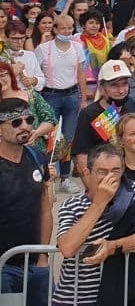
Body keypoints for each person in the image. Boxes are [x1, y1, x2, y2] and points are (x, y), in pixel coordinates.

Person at [54, 142, 135, 306]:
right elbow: (67, 248)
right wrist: (99, 204)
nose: (109, 177)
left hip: (120, 296)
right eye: (102, 172)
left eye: (115, 171)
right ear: (87, 173)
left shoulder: (134, 193)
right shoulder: (71, 205)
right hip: (75, 297)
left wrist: (113, 247)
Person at [0, 96, 52, 306]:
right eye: (16, 122)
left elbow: (45, 208)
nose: (25, 126)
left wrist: (43, 256)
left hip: (35, 263)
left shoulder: (36, 156)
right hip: (3, 268)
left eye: (29, 120)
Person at [71, 58, 135, 179]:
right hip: (105, 178)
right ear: (102, 88)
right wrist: (91, 187)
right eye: (114, 85)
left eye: (124, 84)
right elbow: (82, 155)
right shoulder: (88, 115)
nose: (121, 90)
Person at [34, 15, 87, 183]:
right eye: (63, 28)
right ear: (55, 29)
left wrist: (83, 98)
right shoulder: (43, 49)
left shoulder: (77, 47)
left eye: (70, 28)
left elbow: (80, 74)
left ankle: (65, 177)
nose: (67, 31)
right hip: (50, 96)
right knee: (50, 137)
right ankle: (47, 176)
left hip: (71, 95)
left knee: (68, 137)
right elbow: (36, 73)